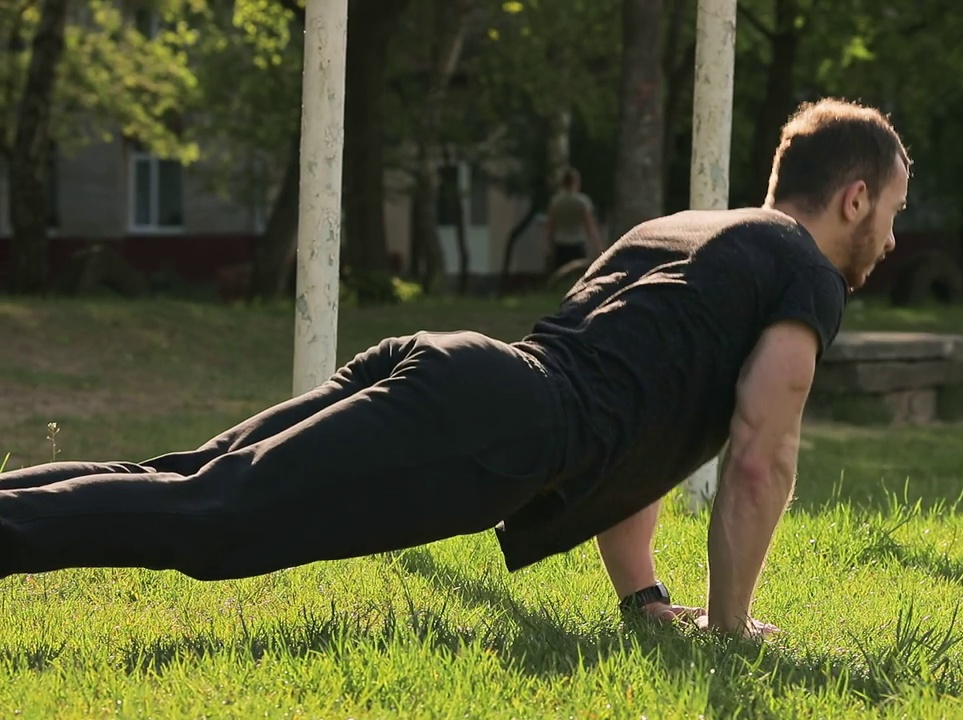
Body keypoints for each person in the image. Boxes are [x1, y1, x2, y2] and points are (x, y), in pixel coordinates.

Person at [0, 98, 910, 639]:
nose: (892, 240)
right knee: (212, 519)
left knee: (188, 481)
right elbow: (760, 455)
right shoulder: (803, 271)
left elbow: (644, 431)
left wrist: (645, 601)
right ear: (853, 196)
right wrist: (732, 627)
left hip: (460, 370)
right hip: (495, 425)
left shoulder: (688, 236)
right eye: (891, 214)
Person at [544, 167, 604, 271]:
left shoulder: (555, 202)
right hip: (577, 245)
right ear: (576, 182)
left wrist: (548, 246)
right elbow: (590, 227)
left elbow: (551, 227)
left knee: (561, 276)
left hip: (560, 245)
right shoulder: (583, 202)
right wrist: (598, 247)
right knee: (576, 276)